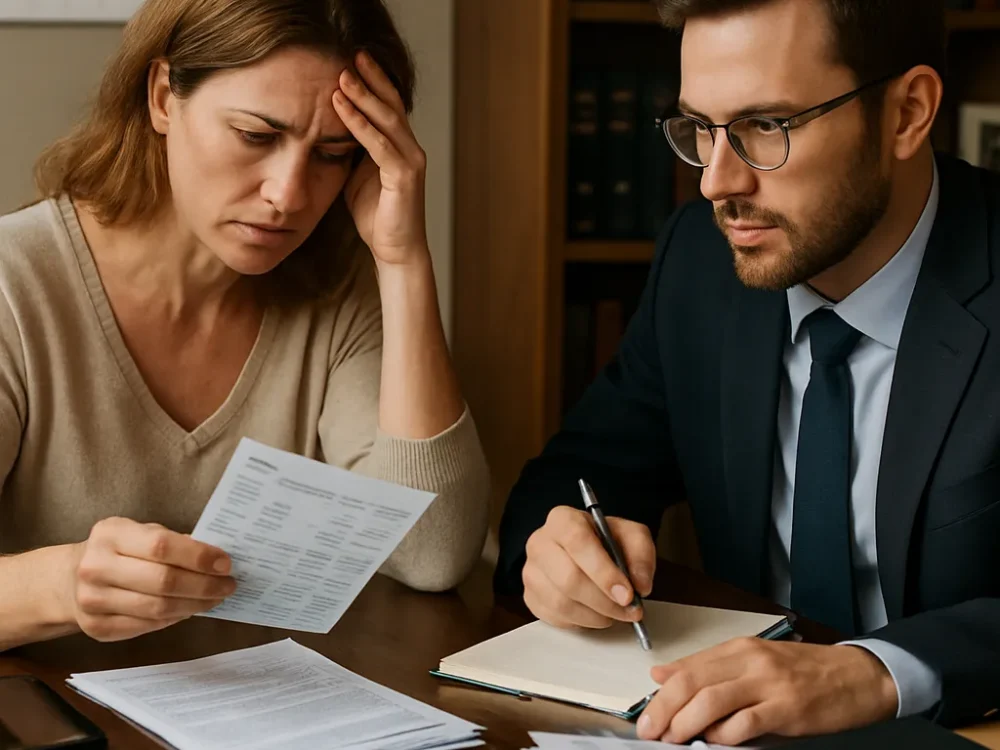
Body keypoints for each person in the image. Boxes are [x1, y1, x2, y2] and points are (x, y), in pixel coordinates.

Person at [495, 0, 1000, 744]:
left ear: (908, 113)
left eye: (767, 126)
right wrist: (560, 550)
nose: (715, 183)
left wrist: (874, 672)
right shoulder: (699, 264)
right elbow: (579, 474)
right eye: (700, 128)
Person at [0, 0, 490, 651]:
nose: (288, 194)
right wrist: (63, 587)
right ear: (163, 97)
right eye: (257, 136)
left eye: (332, 153)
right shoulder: (14, 286)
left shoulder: (337, 294)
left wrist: (403, 263)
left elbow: (432, 556)